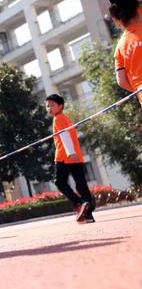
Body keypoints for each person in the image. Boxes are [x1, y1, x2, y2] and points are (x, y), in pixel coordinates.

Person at [45, 94, 95, 223]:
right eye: (47, 106)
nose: (49, 108)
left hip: (64, 156)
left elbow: (64, 135)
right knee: (81, 184)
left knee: (60, 182)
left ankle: (79, 203)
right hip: (76, 156)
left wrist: (70, 152)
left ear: (60, 106)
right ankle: (88, 213)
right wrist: (73, 153)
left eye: (52, 105)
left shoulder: (58, 119)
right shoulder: (66, 118)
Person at [108, 0, 142, 106]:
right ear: (138, 9)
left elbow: (121, 81)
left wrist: (139, 88)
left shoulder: (119, 48)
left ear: (117, 21)